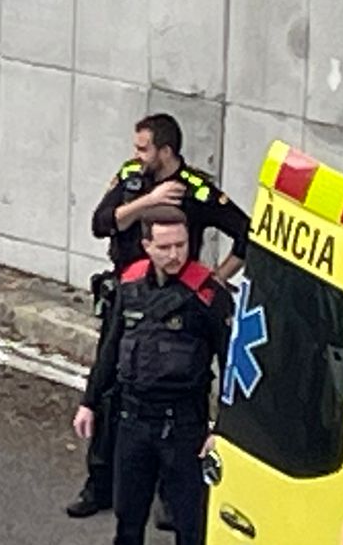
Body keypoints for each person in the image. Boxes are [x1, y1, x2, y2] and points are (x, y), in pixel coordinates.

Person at [67, 113, 251, 520]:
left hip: (177, 306)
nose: (136, 155)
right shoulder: (132, 178)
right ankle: (99, 484)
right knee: (110, 383)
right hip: (128, 297)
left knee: (180, 390)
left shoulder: (196, 189)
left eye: (143, 148)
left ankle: (173, 495)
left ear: (165, 151)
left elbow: (246, 233)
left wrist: (214, 280)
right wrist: (148, 203)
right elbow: (101, 223)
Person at [75, 211, 228, 545]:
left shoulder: (208, 295)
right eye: (165, 246)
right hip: (133, 423)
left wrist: (222, 429)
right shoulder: (130, 285)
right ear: (146, 246)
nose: (175, 254)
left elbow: (234, 366)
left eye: (182, 244)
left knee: (190, 532)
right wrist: (88, 401)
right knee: (127, 523)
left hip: (183, 428)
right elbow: (110, 347)